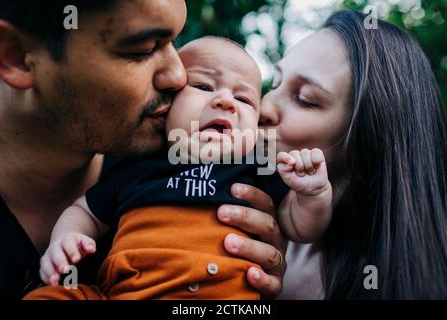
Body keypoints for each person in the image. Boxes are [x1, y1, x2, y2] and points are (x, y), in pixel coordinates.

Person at [0, 1, 286, 300]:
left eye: (174, 41)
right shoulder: (128, 179)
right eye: (143, 49)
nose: (179, 76)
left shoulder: (182, 150)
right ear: (19, 57)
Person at [24, 36, 332, 300]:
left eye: (244, 99)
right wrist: (64, 239)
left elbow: (300, 227)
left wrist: (313, 194)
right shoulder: (139, 164)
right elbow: (86, 212)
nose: (226, 101)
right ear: (166, 107)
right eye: (202, 85)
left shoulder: (256, 167)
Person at [260, 10, 447, 299]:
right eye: (275, 84)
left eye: (304, 99)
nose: (263, 107)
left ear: (371, 132)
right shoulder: (253, 211)